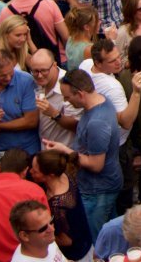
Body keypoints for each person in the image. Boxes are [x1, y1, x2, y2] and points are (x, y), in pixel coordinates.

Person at [40, 68, 121, 239]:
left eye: (68, 97)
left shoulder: (97, 122)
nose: (66, 101)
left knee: (97, 239)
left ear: (80, 94)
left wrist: (65, 150)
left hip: (98, 190)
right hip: (102, 186)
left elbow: (96, 165)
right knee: (112, 234)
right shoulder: (101, 101)